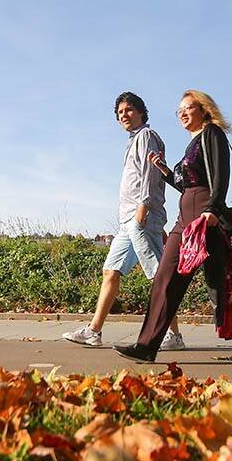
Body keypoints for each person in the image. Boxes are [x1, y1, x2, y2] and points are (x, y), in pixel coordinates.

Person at [114, 90, 232, 364]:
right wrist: (165, 171)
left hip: (203, 216)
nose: (182, 113)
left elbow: (220, 176)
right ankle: (147, 345)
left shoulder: (212, 134)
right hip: (185, 216)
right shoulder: (193, 143)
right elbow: (186, 184)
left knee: (226, 281)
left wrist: (213, 210)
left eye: (188, 108)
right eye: (179, 111)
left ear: (204, 109)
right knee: (167, 276)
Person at [62, 92, 185, 349]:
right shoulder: (134, 140)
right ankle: (94, 331)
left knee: (158, 276)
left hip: (142, 217)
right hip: (128, 221)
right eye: (119, 114)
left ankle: (173, 336)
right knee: (111, 271)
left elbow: (150, 173)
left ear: (141, 111)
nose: (124, 116)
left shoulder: (146, 137)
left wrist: (144, 207)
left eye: (128, 110)